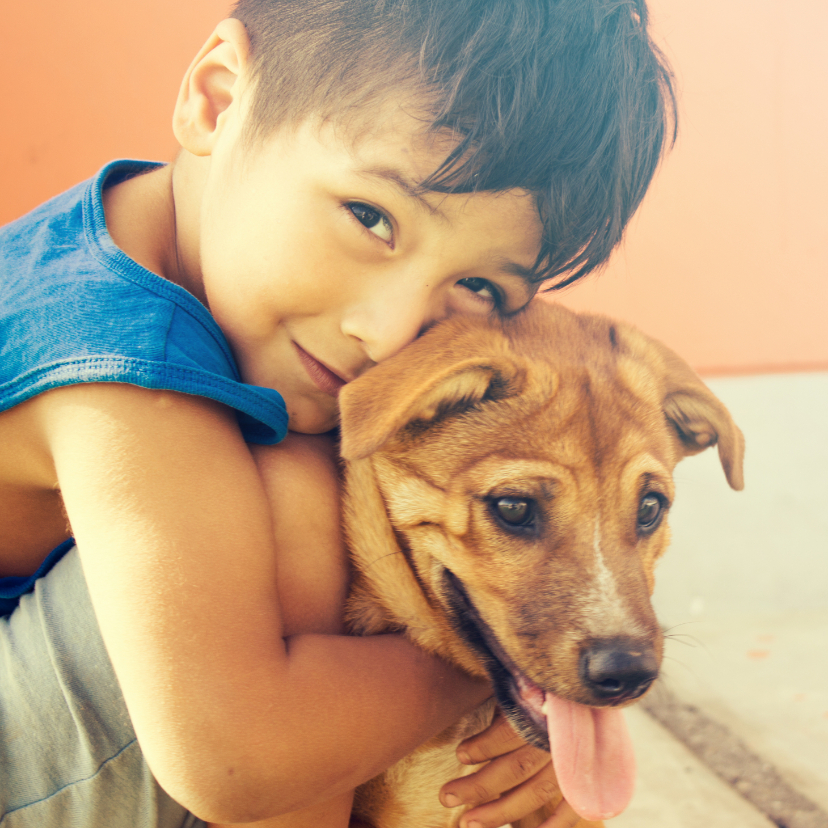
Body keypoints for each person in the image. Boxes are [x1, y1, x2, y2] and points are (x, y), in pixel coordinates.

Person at [0, 1, 675, 826]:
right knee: (303, 495)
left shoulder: (165, 231)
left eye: (479, 288)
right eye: (371, 218)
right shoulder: (121, 371)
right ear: (217, 99)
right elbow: (235, 757)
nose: (388, 330)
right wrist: (508, 667)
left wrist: (546, 708)